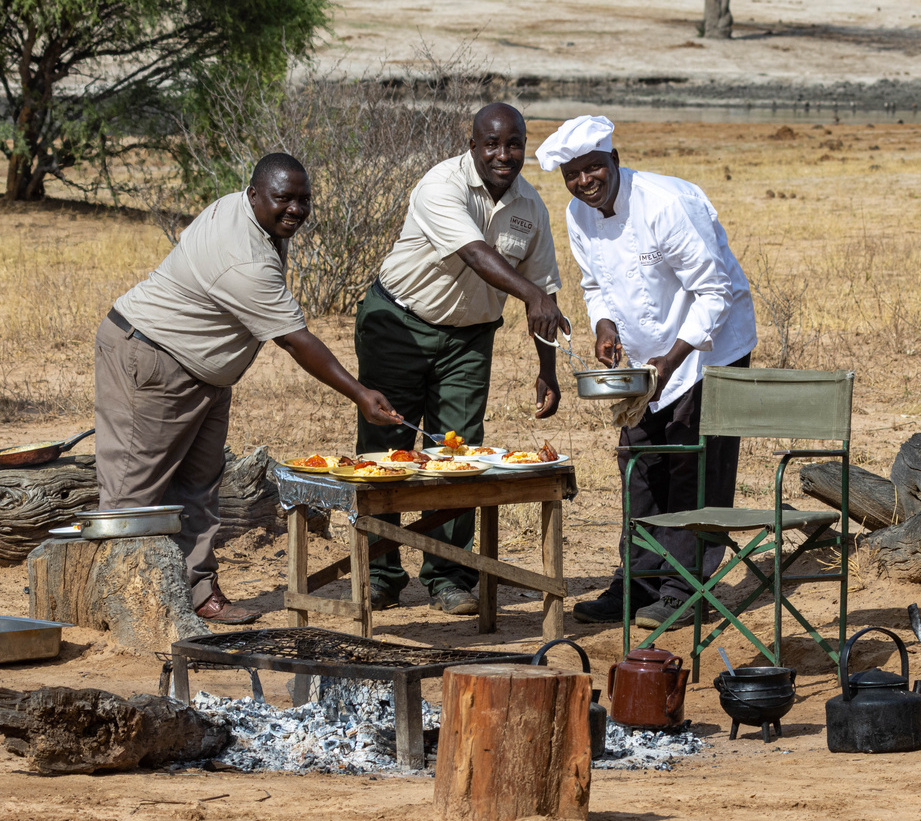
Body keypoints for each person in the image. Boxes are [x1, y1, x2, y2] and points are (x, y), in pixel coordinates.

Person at [95, 152, 400, 625]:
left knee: (200, 487)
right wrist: (361, 394)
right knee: (135, 491)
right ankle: (124, 608)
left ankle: (196, 592)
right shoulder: (243, 259)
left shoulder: (244, 212)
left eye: (304, 199)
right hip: (153, 357)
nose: (295, 210)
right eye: (284, 198)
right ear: (254, 193)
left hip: (202, 372)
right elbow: (295, 341)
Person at [535, 115, 757, 629]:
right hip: (647, 357)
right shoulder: (578, 214)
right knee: (638, 462)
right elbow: (596, 285)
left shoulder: (666, 204)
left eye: (593, 168)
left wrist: (673, 359)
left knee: (691, 466)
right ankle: (636, 582)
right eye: (573, 174)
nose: (584, 181)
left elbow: (714, 292)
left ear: (613, 161)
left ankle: (686, 588)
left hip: (709, 347)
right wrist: (605, 327)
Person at [355, 102, 569, 616]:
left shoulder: (530, 208)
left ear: (524, 146)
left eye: (513, 144)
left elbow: (544, 295)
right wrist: (530, 297)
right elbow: (476, 253)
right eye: (491, 144)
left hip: (470, 339)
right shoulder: (440, 185)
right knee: (388, 446)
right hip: (399, 324)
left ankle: (448, 574)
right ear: (472, 144)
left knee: (458, 454)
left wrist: (547, 371)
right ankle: (379, 572)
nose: (503, 154)